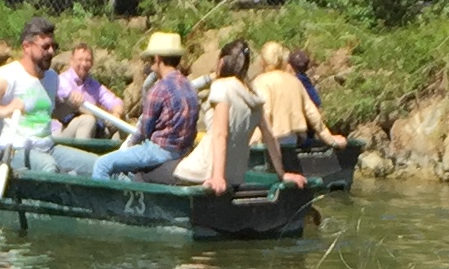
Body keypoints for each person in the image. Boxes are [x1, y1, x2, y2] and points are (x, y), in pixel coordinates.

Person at [0, 16, 95, 177]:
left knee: (101, 165)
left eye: (54, 46)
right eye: (45, 47)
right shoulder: (8, 76)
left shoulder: (51, 77)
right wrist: (5, 110)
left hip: (47, 149)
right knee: (49, 166)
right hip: (10, 153)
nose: (51, 52)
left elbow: (50, 112)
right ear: (27, 46)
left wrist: (71, 106)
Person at [180, 38, 299, 192]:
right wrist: (282, 173)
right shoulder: (253, 94)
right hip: (235, 177)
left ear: (221, 63)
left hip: (201, 173)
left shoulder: (221, 87)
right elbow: (269, 135)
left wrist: (218, 176)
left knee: (152, 170)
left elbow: (221, 133)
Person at [93, 32, 199, 181]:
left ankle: (101, 196)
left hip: (159, 151)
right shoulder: (190, 87)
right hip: (183, 150)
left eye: (150, 60)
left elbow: (144, 130)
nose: (150, 65)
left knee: (102, 164)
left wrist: (128, 146)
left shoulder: (158, 90)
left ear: (158, 59)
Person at [52, 44, 127, 144]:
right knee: (88, 120)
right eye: (80, 59)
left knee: (118, 124)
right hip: (64, 130)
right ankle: (82, 152)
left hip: (94, 125)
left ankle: (115, 152)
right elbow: (65, 93)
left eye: (88, 60)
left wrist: (117, 113)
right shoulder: (62, 80)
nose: (84, 64)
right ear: (71, 61)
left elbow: (115, 101)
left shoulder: (94, 85)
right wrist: (73, 96)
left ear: (92, 63)